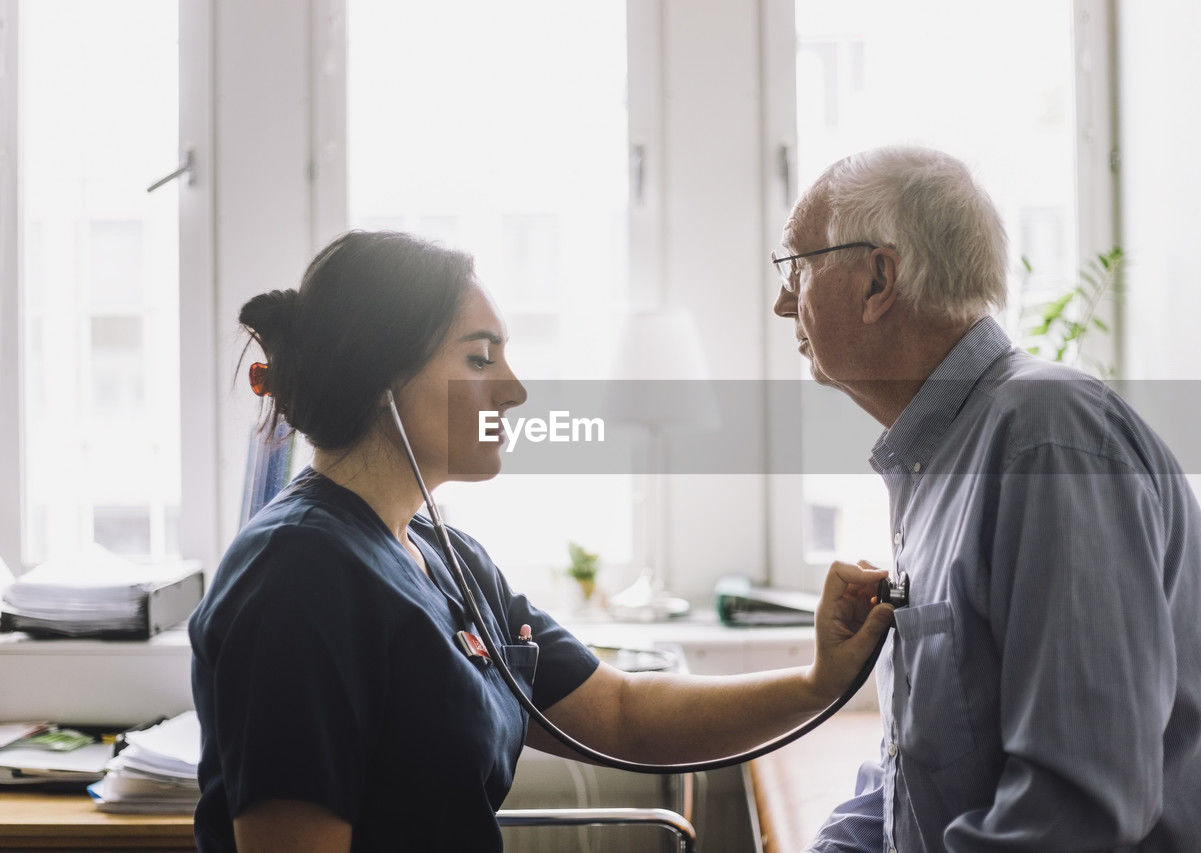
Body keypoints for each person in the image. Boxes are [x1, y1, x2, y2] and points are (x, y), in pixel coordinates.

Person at [188, 229, 895, 853]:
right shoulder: (296, 577)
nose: (516, 389)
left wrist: (817, 682)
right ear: (382, 377)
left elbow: (623, 715)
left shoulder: (445, 557)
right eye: (479, 357)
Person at [771, 146, 1201, 852]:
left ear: (879, 279)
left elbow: (1078, 809)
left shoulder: (1046, 439)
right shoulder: (944, 459)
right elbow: (914, 775)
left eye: (798, 267)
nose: (784, 301)